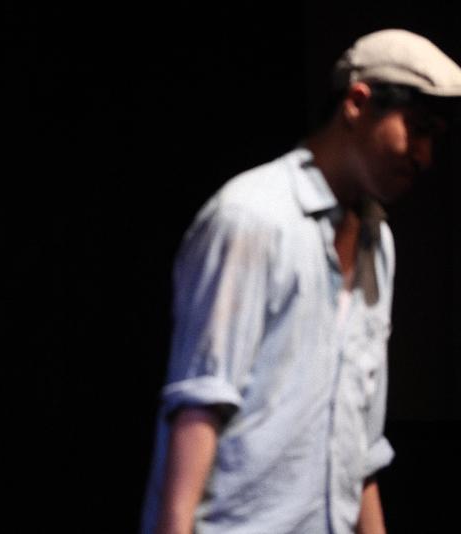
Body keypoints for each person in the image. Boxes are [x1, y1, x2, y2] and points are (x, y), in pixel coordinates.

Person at [141, 29, 461, 534]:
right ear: (357, 104)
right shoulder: (252, 217)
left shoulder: (379, 243)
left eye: (433, 138)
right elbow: (200, 402)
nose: (423, 155)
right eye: (416, 129)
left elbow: (359, 442)